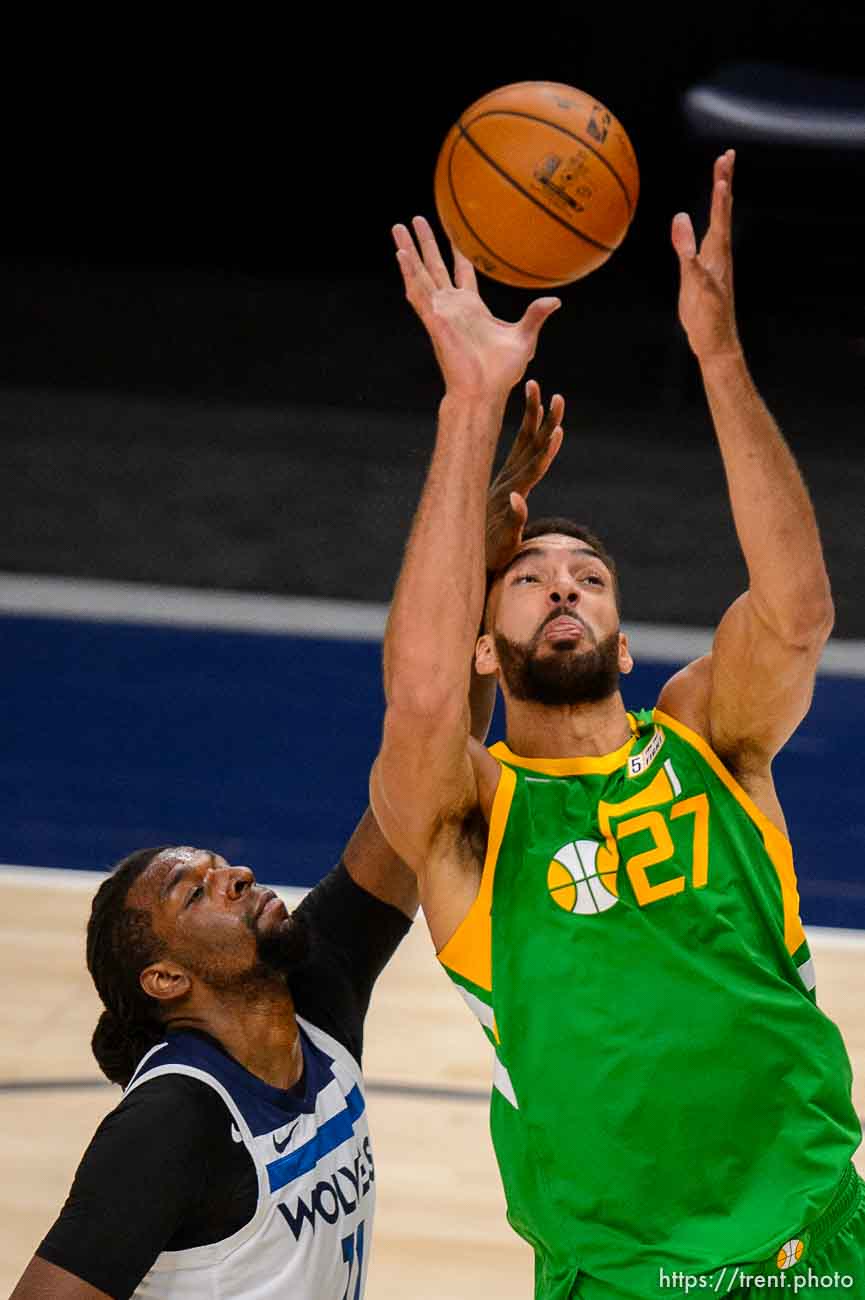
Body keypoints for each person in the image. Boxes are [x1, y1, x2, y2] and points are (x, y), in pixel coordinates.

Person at [371, 150, 864, 1299]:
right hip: (625, 1277)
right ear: (486, 641)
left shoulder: (707, 735)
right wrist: (470, 405)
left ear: (629, 643)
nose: (561, 586)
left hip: (824, 1241)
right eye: (528, 575)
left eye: (588, 576)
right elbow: (424, 694)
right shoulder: (468, 821)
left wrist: (721, 355)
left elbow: (796, 615)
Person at [7, 394, 557, 1300]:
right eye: (197, 893)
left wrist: (478, 559)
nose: (238, 876)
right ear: (165, 979)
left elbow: (426, 778)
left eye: (220, 867)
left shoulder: (313, 997)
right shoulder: (173, 1126)